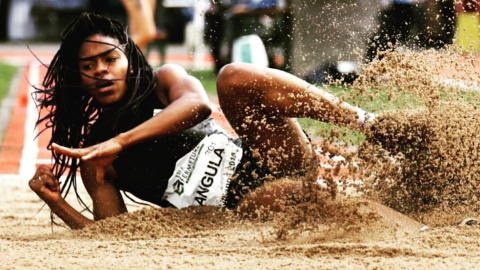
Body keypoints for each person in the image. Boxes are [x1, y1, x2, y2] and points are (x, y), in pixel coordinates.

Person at [29, 13, 378, 230]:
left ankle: (372, 124)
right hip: (242, 202)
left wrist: (122, 141)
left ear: (130, 62)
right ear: (79, 78)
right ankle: (389, 210)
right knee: (302, 199)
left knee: (232, 76)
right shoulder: (96, 157)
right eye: (88, 67)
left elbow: (198, 105)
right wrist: (57, 203)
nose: (100, 71)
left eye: (109, 60)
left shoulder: (162, 82)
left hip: (269, 153)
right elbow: (113, 234)